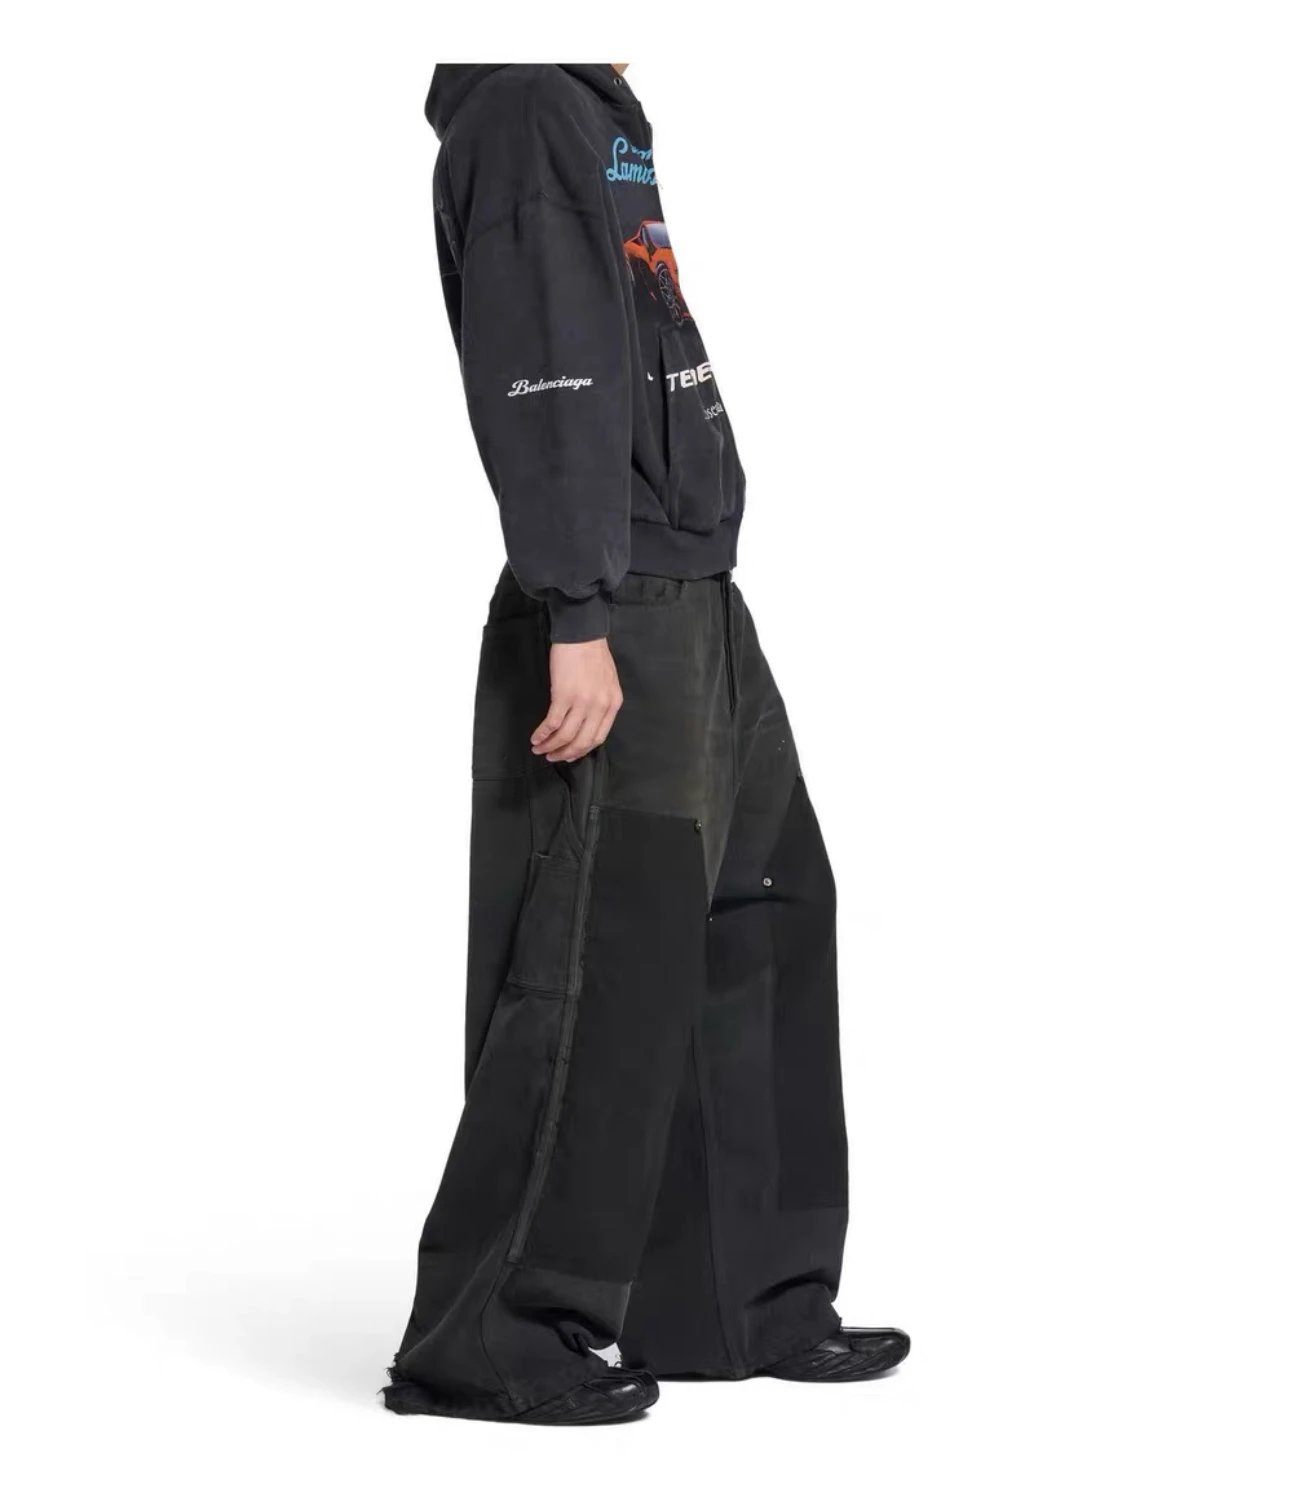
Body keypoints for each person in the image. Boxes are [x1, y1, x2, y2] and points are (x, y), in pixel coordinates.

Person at [383, 62, 908, 1426]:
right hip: (612, 604)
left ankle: (734, 1300)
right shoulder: (527, 106)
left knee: (755, 922)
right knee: (592, 960)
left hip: (693, 589)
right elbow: (545, 359)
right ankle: (492, 1338)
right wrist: (575, 609)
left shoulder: (593, 106)